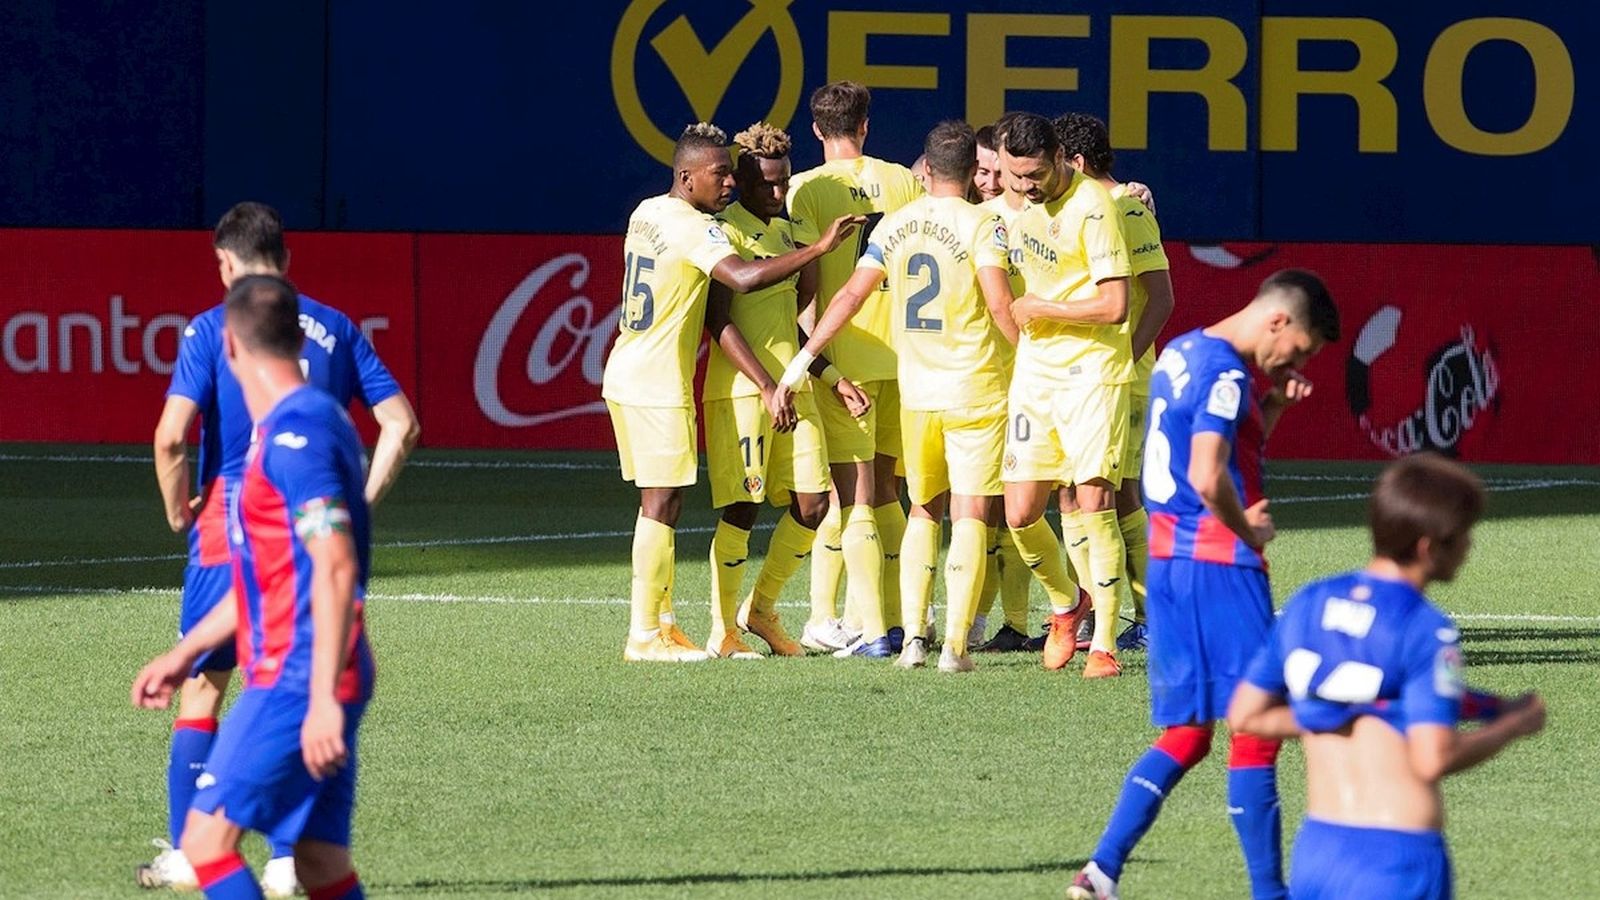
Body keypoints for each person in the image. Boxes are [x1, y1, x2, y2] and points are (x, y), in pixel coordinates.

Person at [141, 202, 418, 896]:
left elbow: (334, 567)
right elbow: (275, 576)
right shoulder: (291, 427)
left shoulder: (294, 439)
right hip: (309, 661)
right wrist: (182, 652)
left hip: (299, 673)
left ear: (229, 349)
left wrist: (322, 696)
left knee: (205, 844)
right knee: (322, 864)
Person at [1065, 269, 1341, 900]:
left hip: (1168, 567)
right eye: (1299, 349)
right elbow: (1209, 471)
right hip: (1219, 562)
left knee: (1188, 733)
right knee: (1259, 727)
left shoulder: (1185, 352)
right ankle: (1271, 894)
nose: (1293, 360)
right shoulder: (1226, 372)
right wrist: (1250, 527)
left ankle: (1101, 871)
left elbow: (1221, 445)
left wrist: (1270, 404)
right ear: (1278, 321)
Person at [1228, 454, 1546, 899]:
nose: (1469, 548)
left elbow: (1245, 715)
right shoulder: (1423, 626)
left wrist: (1341, 712)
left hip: (1318, 852)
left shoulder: (1309, 602)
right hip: (1395, 861)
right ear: (1427, 547)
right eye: (1463, 536)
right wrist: (1512, 726)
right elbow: (1432, 758)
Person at [604, 122, 862, 662]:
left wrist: (826, 375)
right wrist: (819, 247)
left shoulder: (647, 212)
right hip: (669, 383)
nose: (726, 185)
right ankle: (655, 633)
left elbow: (778, 312)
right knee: (666, 502)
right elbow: (736, 289)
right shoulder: (706, 230)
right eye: (721, 175)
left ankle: (687, 621)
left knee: (807, 503)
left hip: (643, 372)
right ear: (687, 176)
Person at [779, 120, 1017, 672]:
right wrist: (1034, 367)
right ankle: (954, 646)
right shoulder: (985, 225)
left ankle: (911, 640)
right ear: (975, 173)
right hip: (976, 390)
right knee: (972, 514)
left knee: (921, 511)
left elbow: (850, 296)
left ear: (926, 170)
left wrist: (801, 361)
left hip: (919, 394)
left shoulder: (896, 225)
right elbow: (1002, 307)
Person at [702, 121, 871, 659]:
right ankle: (723, 629)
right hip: (744, 391)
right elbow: (718, 320)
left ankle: (763, 609)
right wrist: (767, 383)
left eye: (783, 182)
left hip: (789, 388)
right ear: (742, 183)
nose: (777, 193)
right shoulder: (724, 231)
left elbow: (793, 324)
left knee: (814, 504)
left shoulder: (786, 228)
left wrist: (829, 375)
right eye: (766, 185)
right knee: (742, 509)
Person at [788, 81, 925, 657]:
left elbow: (804, 284)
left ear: (817, 129)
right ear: (866, 124)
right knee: (890, 491)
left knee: (855, 500)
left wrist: (811, 361)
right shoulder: (903, 180)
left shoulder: (803, 188)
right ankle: (898, 618)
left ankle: (865, 628)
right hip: (905, 355)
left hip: (844, 354)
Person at [998, 113, 1126, 675]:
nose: (1022, 186)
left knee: (1094, 502)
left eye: (1032, 175)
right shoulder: (1020, 206)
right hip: (1036, 374)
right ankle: (1066, 605)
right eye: (1012, 175)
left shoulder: (1095, 208)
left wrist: (1040, 309)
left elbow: (1115, 305)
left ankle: (1104, 644)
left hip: (1092, 373)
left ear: (1059, 157)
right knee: (1021, 512)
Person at [1054, 112, 1176, 656]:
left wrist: (1123, 359)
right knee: (1072, 493)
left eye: (1057, 162)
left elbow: (1163, 297)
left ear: (1075, 162)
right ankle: (1092, 607)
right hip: (1076, 378)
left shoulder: (1127, 208)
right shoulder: (1077, 210)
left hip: (1121, 380)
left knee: (1114, 493)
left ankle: (1151, 616)